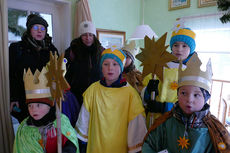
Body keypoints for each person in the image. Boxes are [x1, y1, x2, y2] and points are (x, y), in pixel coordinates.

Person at [142, 54, 230, 153]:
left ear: (206, 98)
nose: (189, 99)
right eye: (183, 93)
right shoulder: (164, 123)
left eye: (196, 95)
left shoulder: (214, 131)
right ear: (177, 94)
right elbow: (149, 145)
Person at [75, 47, 147, 153]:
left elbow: (136, 123)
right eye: (106, 64)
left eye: (115, 64)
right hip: (96, 145)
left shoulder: (130, 94)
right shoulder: (93, 90)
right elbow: (84, 116)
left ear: (121, 67)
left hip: (119, 146)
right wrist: (82, 141)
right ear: (101, 67)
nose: (110, 68)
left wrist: (134, 146)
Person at [13, 67, 79, 153]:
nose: (33, 109)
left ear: (49, 106)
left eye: (38, 105)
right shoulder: (25, 129)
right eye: (30, 106)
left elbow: (72, 143)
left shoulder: (61, 121)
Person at [143, 26, 197, 126]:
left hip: (175, 121)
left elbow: (193, 103)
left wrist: (165, 107)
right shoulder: (159, 65)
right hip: (154, 119)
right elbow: (145, 92)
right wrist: (148, 91)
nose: (179, 49)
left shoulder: (193, 72)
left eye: (184, 46)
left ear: (191, 49)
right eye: (176, 45)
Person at [9, 14, 58, 123]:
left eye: (42, 29)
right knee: (28, 129)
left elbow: (57, 74)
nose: (39, 31)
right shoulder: (17, 49)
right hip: (25, 98)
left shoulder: (52, 50)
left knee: (46, 129)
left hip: (47, 98)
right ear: (29, 30)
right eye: (36, 28)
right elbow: (12, 75)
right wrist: (13, 98)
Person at [64, 21, 104, 107]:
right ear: (80, 36)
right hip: (76, 94)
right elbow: (62, 68)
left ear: (94, 36)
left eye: (90, 35)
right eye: (84, 35)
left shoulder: (101, 51)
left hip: (97, 93)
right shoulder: (72, 51)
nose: (88, 38)